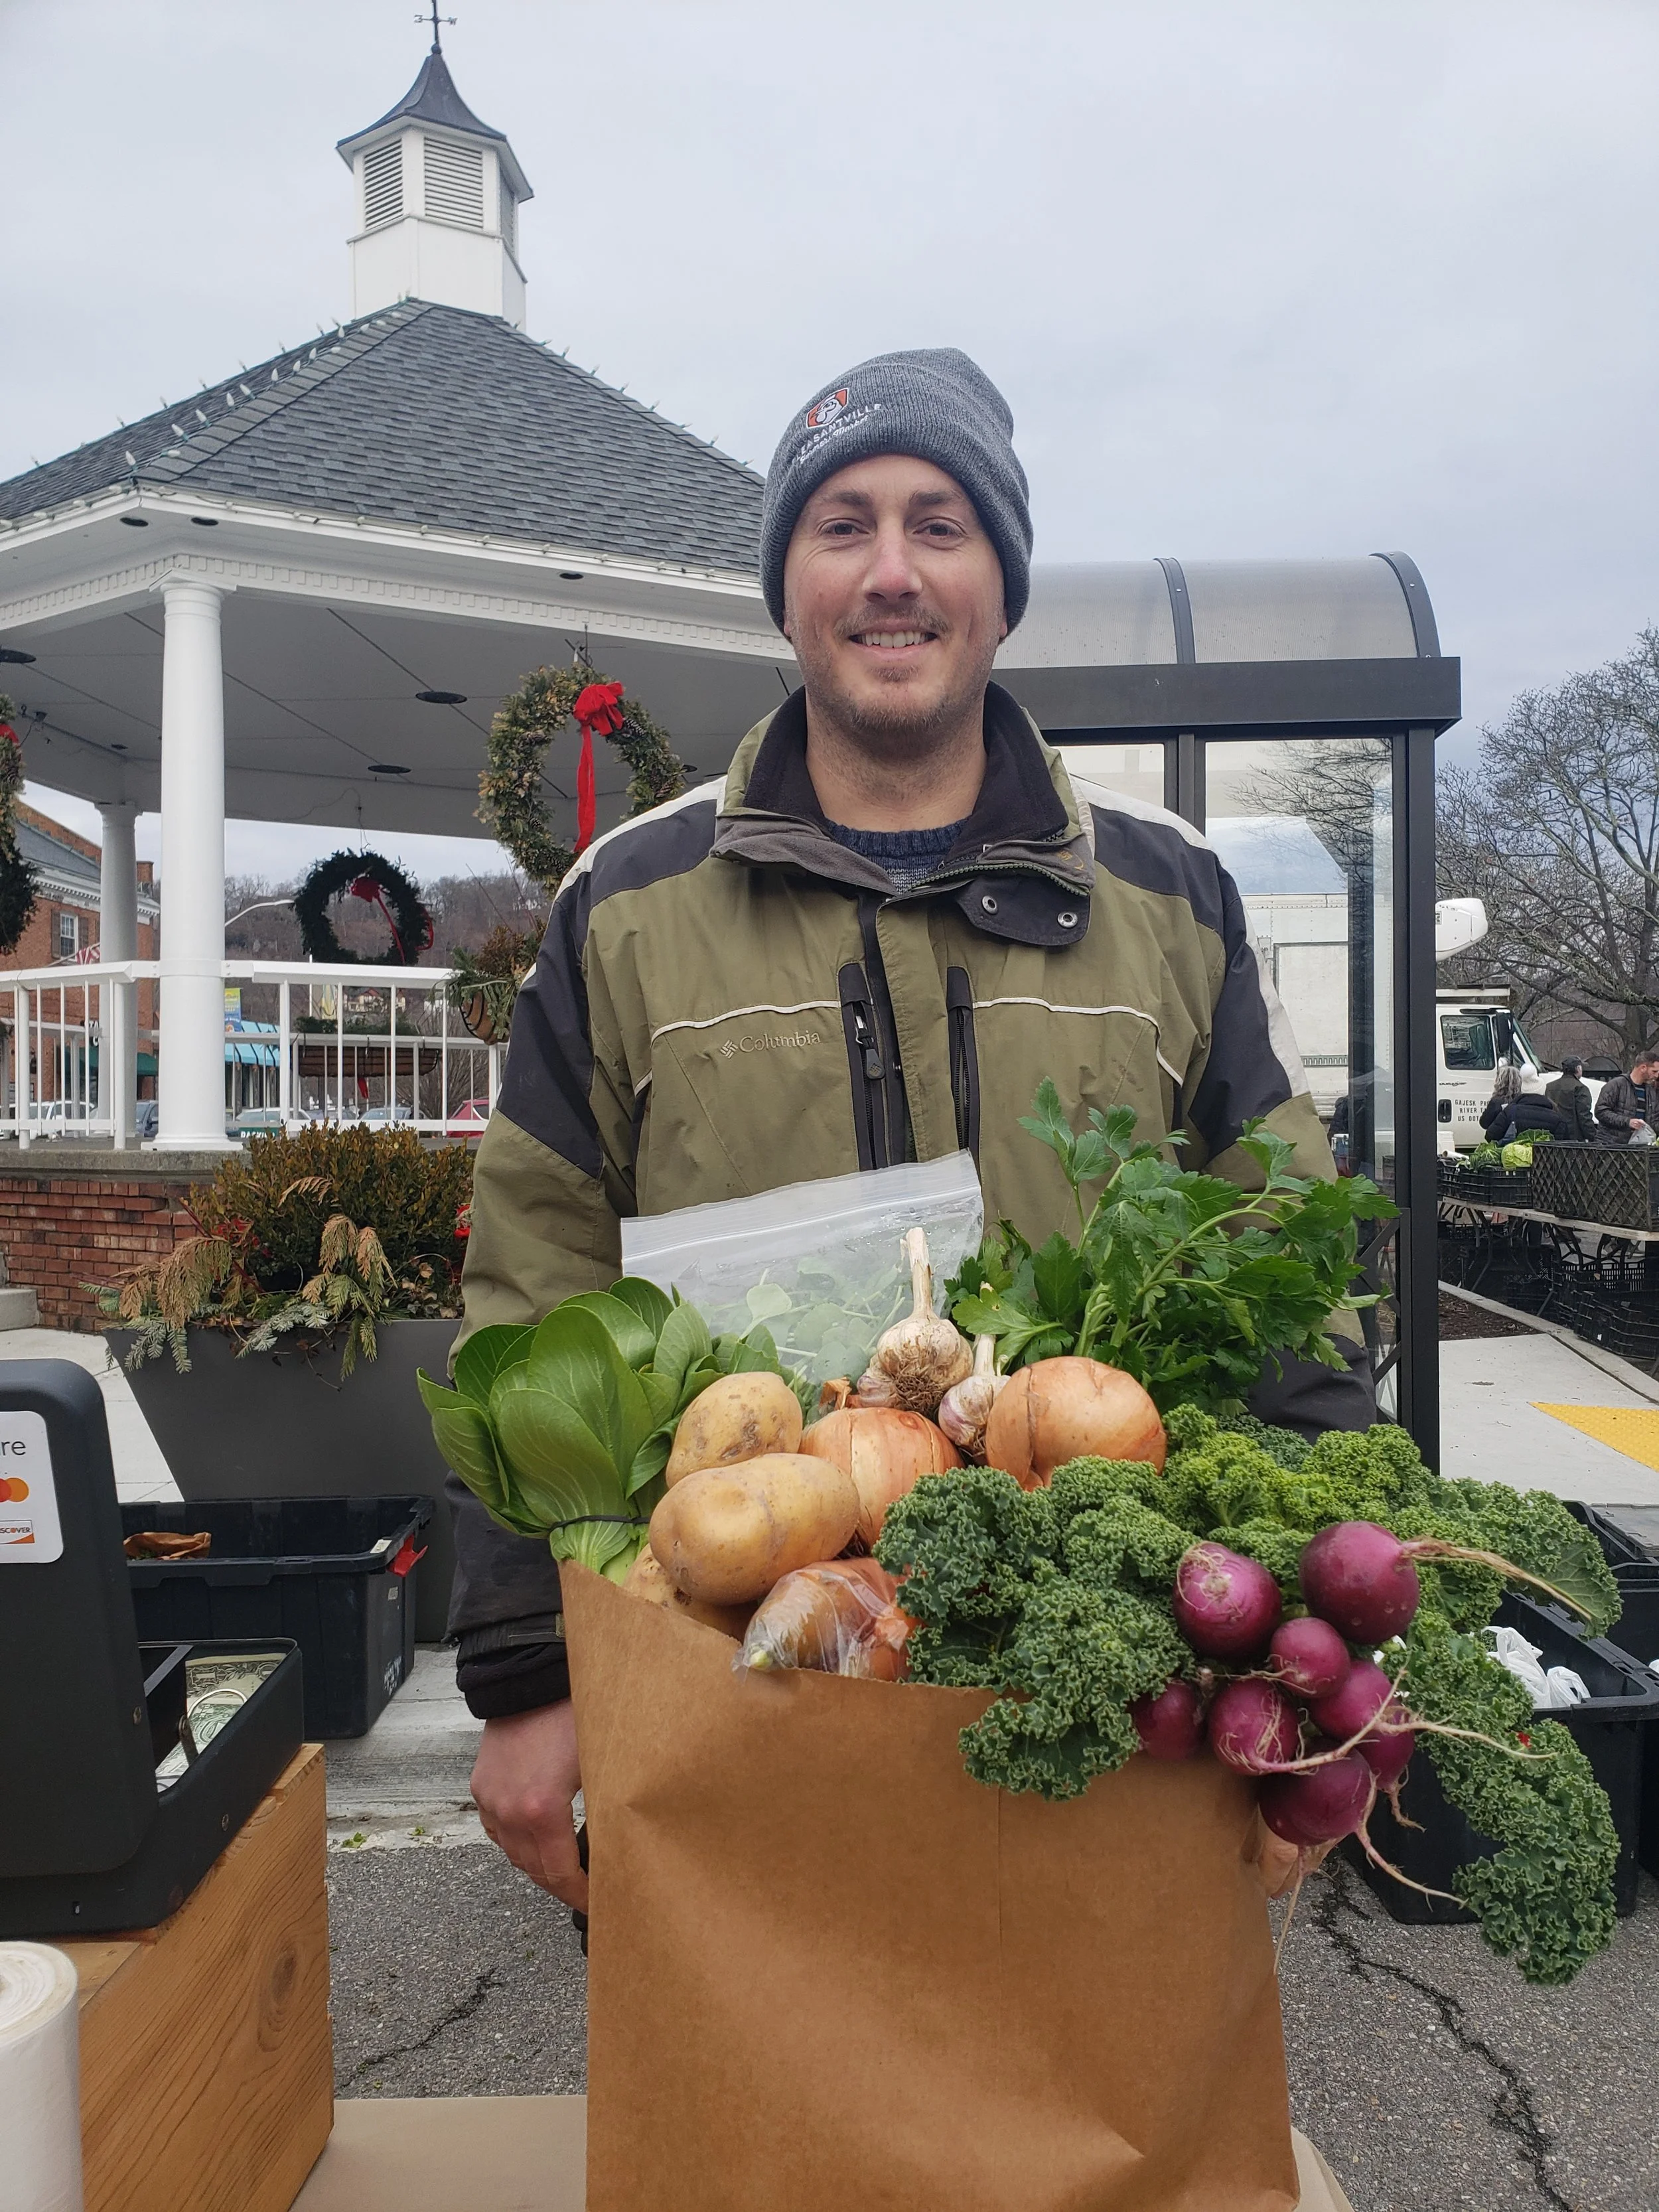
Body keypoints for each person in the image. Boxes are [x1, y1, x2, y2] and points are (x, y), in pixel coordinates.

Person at [451, 348, 1376, 1909]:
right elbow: (533, 1278)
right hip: (733, 1671)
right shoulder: (629, 905)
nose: (892, 573)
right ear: (785, 586)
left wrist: (1320, 1641)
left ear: (1000, 585)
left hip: (1105, 1676)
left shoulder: (1167, 896)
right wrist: (529, 1672)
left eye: (940, 525)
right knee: (756, 2126)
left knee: (1090, 2114)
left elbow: (1277, 1262)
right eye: (843, 526)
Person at [1479, 1066, 1567, 1146]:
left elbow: (1490, 1136)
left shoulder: (1510, 1111)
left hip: (1514, 1160)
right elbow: (1561, 1145)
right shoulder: (1557, 1117)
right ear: (1543, 1091)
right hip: (1545, 1162)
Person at [1594, 1053, 1659, 1145]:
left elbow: (1654, 1120)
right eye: (1654, 1071)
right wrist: (1628, 1122)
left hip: (1637, 1147)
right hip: (1610, 1146)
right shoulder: (1616, 1085)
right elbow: (1601, 1111)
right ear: (1643, 1068)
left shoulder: (1651, 1091)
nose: (1656, 1075)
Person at [1544, 1056, 1596, 1143]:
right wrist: (1593, 1136)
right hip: (1573, 1140)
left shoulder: (1549, 1087)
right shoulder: (1580, 1088)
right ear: (1578, 1069)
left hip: (1552, 1138)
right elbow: (1584, 1117)